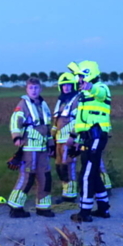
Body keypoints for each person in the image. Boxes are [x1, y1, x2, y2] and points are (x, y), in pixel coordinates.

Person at [68, 60, 111, 222]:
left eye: (80, 76)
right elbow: (81, 121)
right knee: (93, 174)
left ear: (88, 74)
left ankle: (84, 212)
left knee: (85, 175)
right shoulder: (83, 96)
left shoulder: (101, 88)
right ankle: (103, 208)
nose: (78, 79)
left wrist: (89, 87)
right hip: (88, 138)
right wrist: (77, 140)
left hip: (97, 136)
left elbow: (99, 93)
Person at [6, 77, 55, 217]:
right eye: (31, 88)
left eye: (36, 88)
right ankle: (15, 206)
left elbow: (47, 127)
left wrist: (51, 144)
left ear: (40, 89)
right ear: (26, 89)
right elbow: (15, 121)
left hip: (43, 147)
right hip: (29, 146)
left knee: (45, 176)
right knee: (27, 176)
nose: (34, 91)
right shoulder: (23, 104)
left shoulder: (43, 105)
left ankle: (43, 207)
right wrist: (16, 137)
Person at [52, 72, 80, 202]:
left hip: (69, 139)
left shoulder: (77, 99)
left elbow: (79, 120)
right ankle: (65, 192)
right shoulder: (60, 101)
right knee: (60, 167)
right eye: (64, 85)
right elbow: (55, 122)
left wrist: (74, 138)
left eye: (69, 85)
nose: (66, 87)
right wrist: (52, 139)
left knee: (68, 167)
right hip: (58, 140)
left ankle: (71, 195)